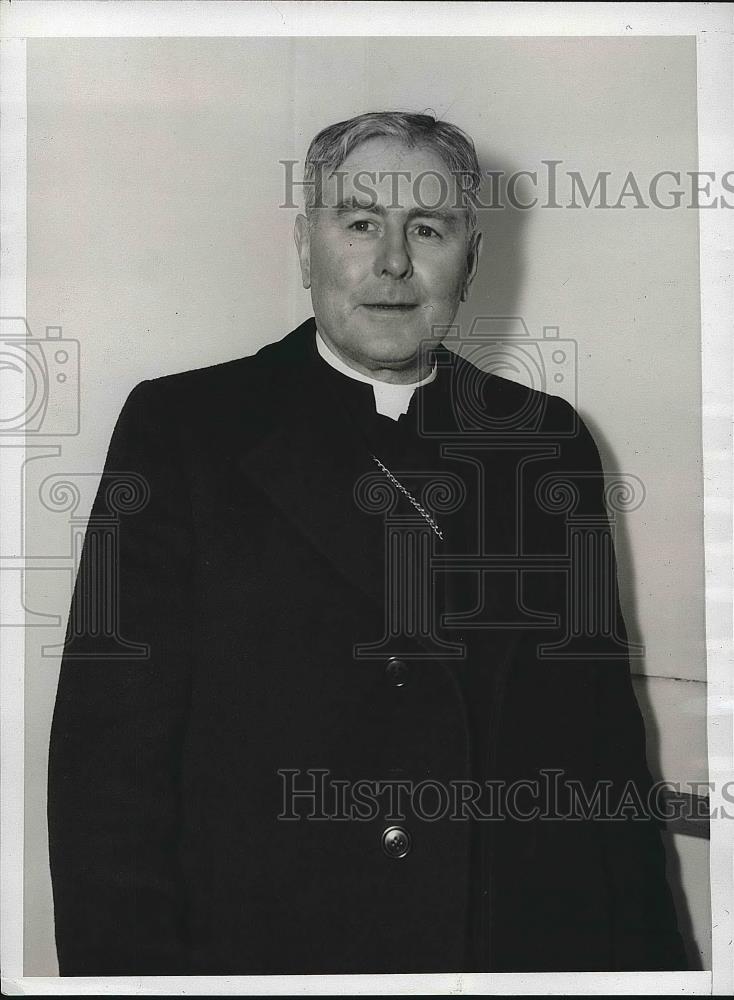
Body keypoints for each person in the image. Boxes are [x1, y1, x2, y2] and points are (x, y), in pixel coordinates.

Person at [48, 111, 687, 975]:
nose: (393, 262)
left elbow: (602, 748)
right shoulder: (184, 430)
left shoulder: (546, 439)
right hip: (266, 957)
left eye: (428, 227)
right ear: (307, 249)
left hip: (500, 953)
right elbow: (107, 771)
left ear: (472, 256)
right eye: (359, 223)